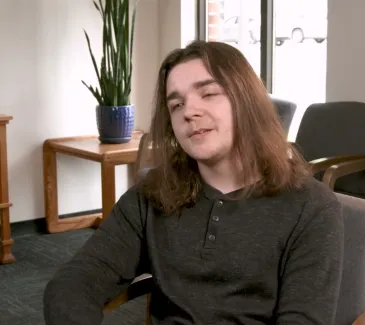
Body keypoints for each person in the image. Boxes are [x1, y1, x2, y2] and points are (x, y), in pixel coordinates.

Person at [43, 40, 344, 325]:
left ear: (247, 101)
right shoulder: (152, 194)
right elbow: (76, 280)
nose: (189, 111)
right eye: (176, 105)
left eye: (209, 93)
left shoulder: (312, 208)